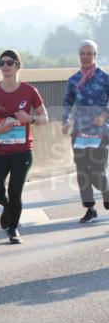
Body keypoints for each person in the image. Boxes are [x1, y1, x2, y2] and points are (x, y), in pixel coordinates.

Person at [0, 50, 48, 243]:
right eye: (1, 63)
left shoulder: (29, 91)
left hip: (22, 150)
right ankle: (8, 207)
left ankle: (13, 229)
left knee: (15, 190)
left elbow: (45, 118)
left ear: (17, 66)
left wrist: (30, 118)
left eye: (9, 63)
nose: (5, 67)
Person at [61, 39, 109, 223]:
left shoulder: (105, 78)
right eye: (83, 53)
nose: (86, 56)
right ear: (79, 56)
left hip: (101, 132)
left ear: (95, 56)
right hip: (79, 131)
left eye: (90, 53)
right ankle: (90, 209)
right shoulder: (73, 80)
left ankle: (106, 191)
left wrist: (104, 116)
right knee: (82, 170)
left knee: (97, 171)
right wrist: (65, 122)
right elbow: (67, 102)